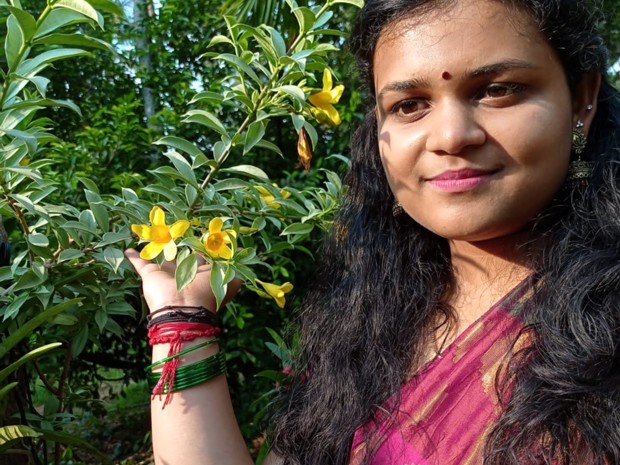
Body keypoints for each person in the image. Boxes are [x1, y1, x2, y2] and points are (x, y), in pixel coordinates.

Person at [125, 0, 620, 463]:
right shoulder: (367, 321)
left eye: (496, 89)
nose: (450, 136)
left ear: (582, 99)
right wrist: (182, 315)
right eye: (409, 105)